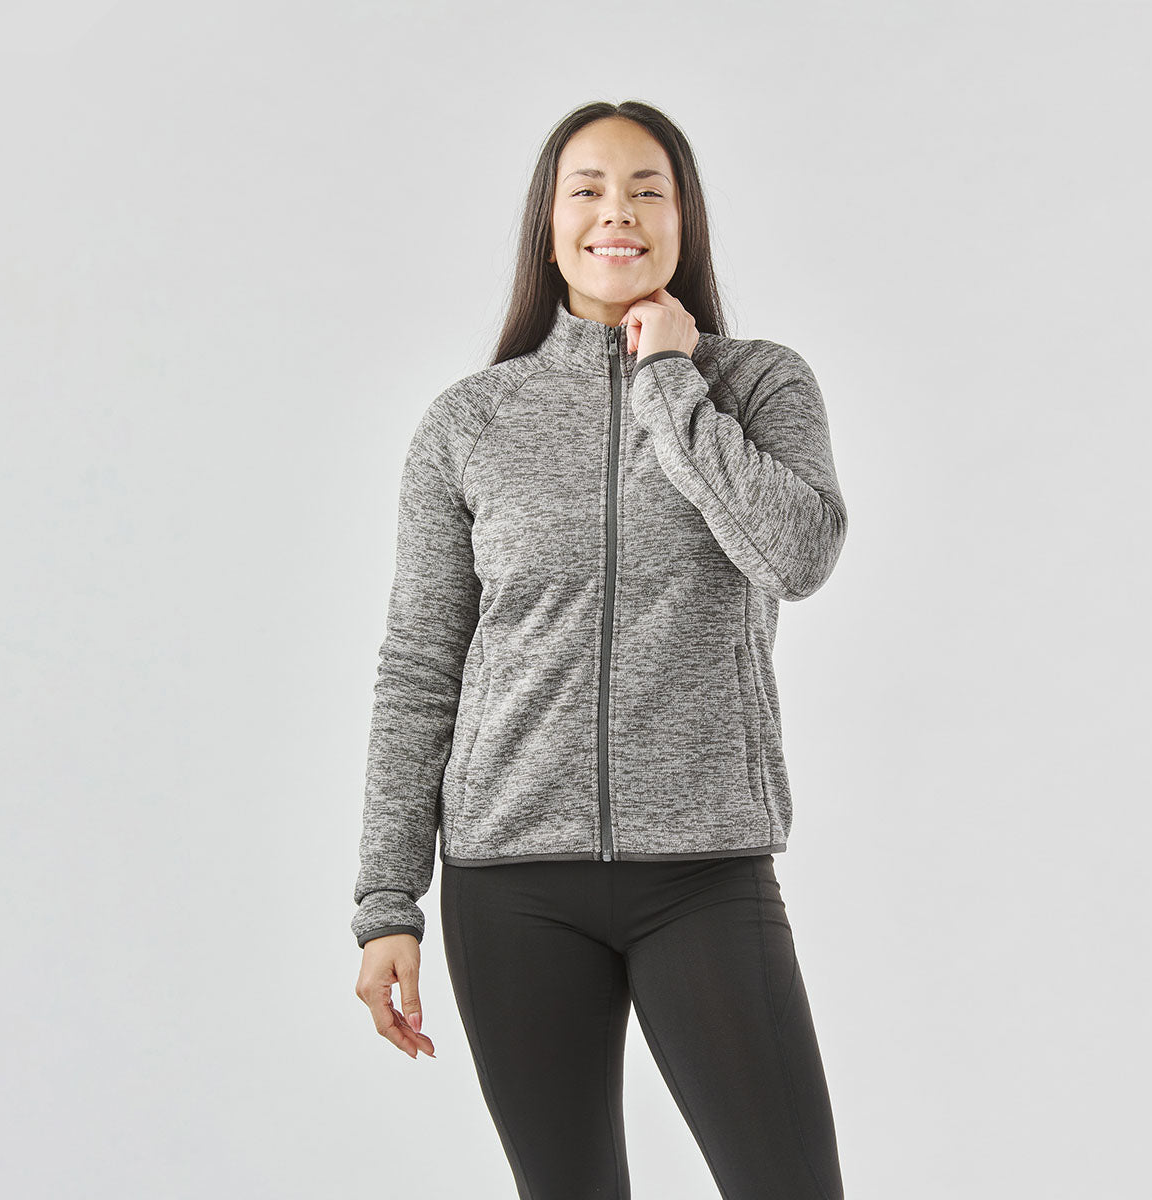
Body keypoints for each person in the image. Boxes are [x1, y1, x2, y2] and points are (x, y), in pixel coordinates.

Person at [352, 99, 849, 1200]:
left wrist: (671, 378)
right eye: (587, 189)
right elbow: (420, 666)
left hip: (706, 869)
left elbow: (798, 555)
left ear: (683, 219)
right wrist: (388, 901)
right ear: (550, 223)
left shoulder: (759, 386)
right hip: (509, 881)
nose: (615, 212)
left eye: (645, 189)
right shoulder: (470, 423)